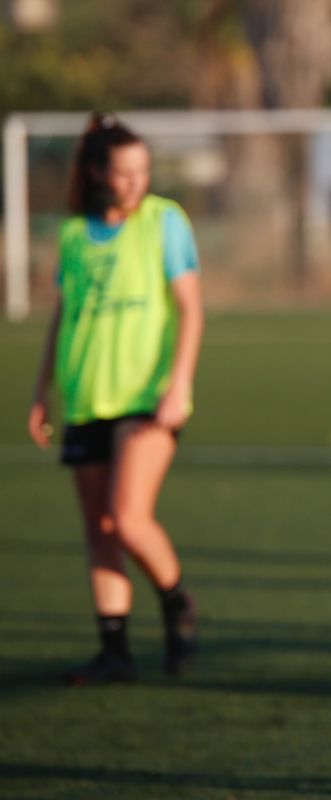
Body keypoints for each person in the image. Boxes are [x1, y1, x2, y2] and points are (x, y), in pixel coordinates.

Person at [27, 112, 204, 685]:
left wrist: (179, 382)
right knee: (99, 530)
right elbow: (64, 314)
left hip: (145, 398)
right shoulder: (74, 233)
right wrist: (41, 391)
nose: (135, 182)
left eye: (142, 171)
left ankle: (177, 603)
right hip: (85, 395)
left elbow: (190, 308)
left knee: (129, 520)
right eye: (124, 172)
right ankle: (115, 650)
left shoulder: (163, 221)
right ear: (98, 172)